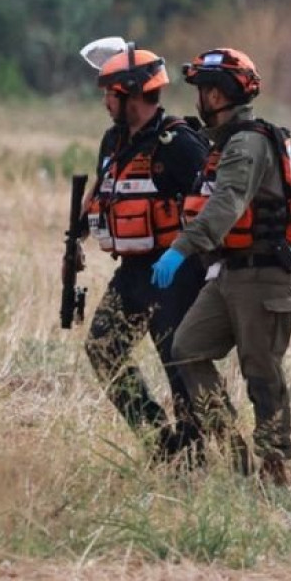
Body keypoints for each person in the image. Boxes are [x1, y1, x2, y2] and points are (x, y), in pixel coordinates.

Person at [157, 48, 291, 485]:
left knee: (261, 370)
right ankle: (229, 441)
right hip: (228, 273)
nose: (198, 99)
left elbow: (228, 202)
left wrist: (181, 249)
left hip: (264, 274)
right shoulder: (222, 143)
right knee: (186, 348)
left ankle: (274, 464)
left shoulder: (248, 142)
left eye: (203, 90)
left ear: (221, 94)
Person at [82, 45, 210, 463]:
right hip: (133, 270)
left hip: (176, 270)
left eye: (110, 94)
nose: (104, 102)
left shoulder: (180, 143)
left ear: (131, 95)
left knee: (178, 363)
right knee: (103, 346)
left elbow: (209, 205)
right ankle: (160, 442)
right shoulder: (114, 139)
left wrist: (192, 264)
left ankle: (193, 455)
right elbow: (106, 188)